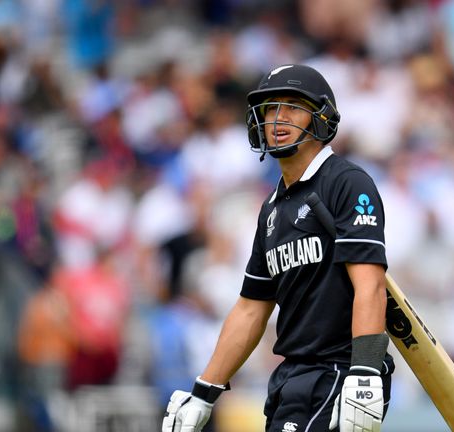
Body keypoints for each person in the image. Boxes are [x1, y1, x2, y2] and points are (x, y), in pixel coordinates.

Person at [161, 64, 394, 432]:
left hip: (339, 373)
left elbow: (371, 285)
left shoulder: (347, 183)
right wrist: (204, 391)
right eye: (270, 108)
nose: (278, 118)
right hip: (290, 378)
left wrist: (364, 374)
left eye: (292, 106)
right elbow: (252, 308)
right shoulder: (272, 208)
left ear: (322, 118)